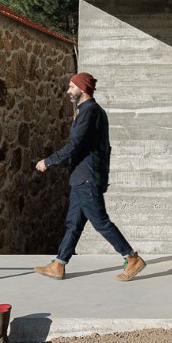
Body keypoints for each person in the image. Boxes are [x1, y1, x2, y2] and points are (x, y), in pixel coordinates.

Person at [34, 72, 145, 281]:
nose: (68, 91)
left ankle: (132, 258)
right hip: (81, 177)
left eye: (71, 87)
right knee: (73, 223)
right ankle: (59, 264)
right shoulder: (89, 111)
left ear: (82, 89)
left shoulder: (90, 111)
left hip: (87, 177)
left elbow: (75, 145)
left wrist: (48, 161)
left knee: (100, 221)